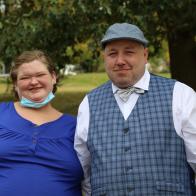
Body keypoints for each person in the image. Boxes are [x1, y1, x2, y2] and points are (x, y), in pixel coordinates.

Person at [74, 23, 196, 195]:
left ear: (145, 55)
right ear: (104, 58)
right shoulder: (88, 103)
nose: (120, 61)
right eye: (112, 53)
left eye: (129, 52)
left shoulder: (180, 94)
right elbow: (84, 170)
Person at [0, 50, 83, 196]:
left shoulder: (77, 126)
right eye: (25, 77)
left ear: (53, 77)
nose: (33, 82)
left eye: (40, 75)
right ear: (15, 84)